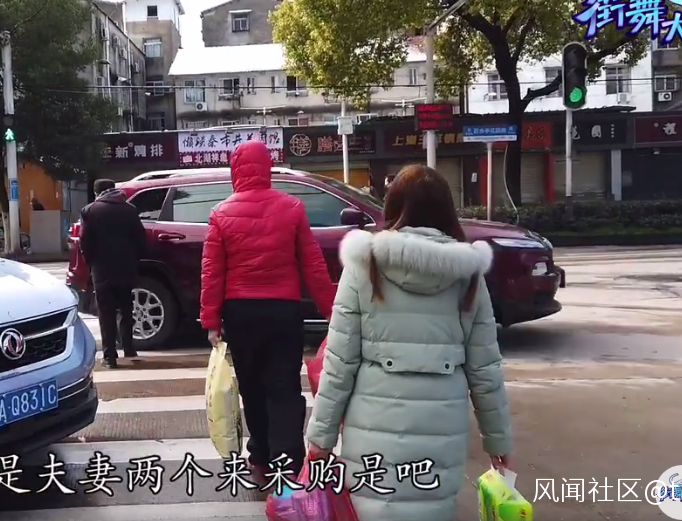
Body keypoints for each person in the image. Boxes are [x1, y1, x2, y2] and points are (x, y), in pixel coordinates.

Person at [305, 164, 513, 521]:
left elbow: (339, 362)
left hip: (372, 427)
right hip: (441, 428)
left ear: (393, 206)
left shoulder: (365, 265)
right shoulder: (468, 275)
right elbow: (485, 369)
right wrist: (498, 441)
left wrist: (320, 439)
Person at [200, 140, 335, 479]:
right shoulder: (292, 208)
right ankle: (287, 462)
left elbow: (212, 272)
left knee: (252, 388)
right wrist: (332, 310)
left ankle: (260, 457)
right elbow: (313, 265)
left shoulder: (220, 213)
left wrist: (211, 320)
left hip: (241, 313)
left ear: (235, 170)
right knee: (284, 388)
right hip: (283, 311)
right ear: (267, 168)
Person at [79, 179, 146, 369]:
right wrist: (134, 259)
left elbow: (85, 241)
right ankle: (129, 348)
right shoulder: (130, 209)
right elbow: (140, 239)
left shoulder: (90, 211)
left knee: (106, 312)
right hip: (126, 268)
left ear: (96, 192)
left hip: (102, 270)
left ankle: (110, 357)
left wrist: (92, 263)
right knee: (126, 308)